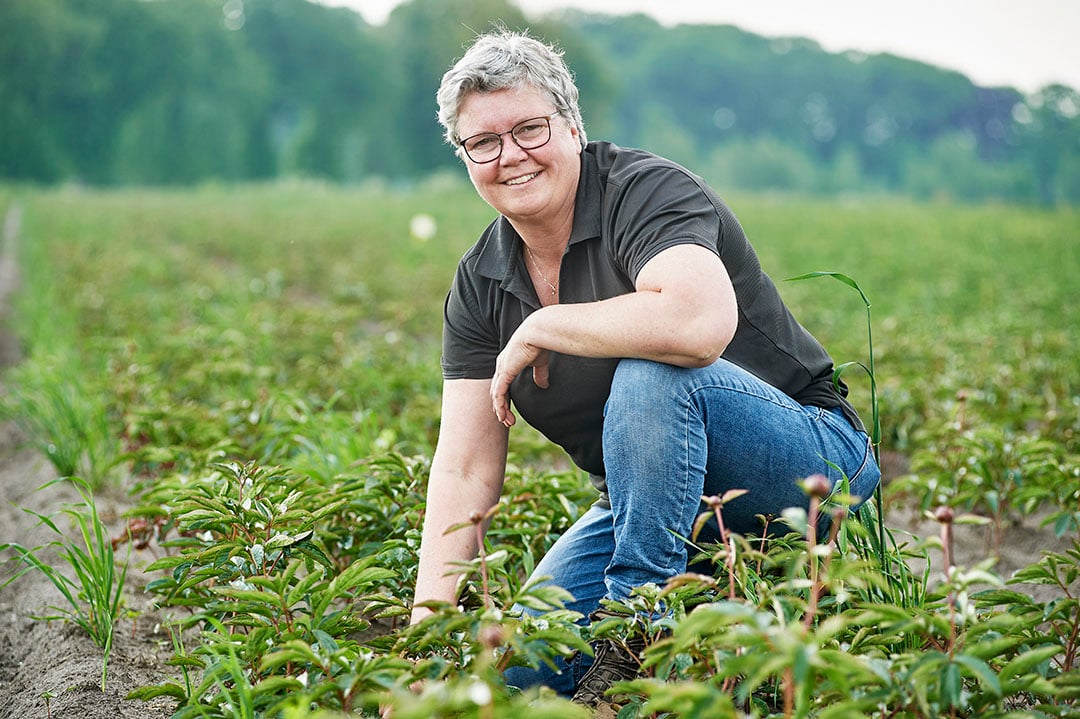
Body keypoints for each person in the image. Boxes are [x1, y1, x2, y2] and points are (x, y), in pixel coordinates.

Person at [409, 28, 881, 707]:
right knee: (517, 672)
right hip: (648, 504)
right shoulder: (482, 282)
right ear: (464, 157)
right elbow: (463, 469)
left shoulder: (643, 191)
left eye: (529, 129)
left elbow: (695, 324)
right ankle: (675, 600)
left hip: (810, 462)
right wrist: (424, 643)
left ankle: (639, 639)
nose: (509, 155)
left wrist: (548, 324)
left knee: (653, 367)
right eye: (483, 142)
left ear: (572, 127)